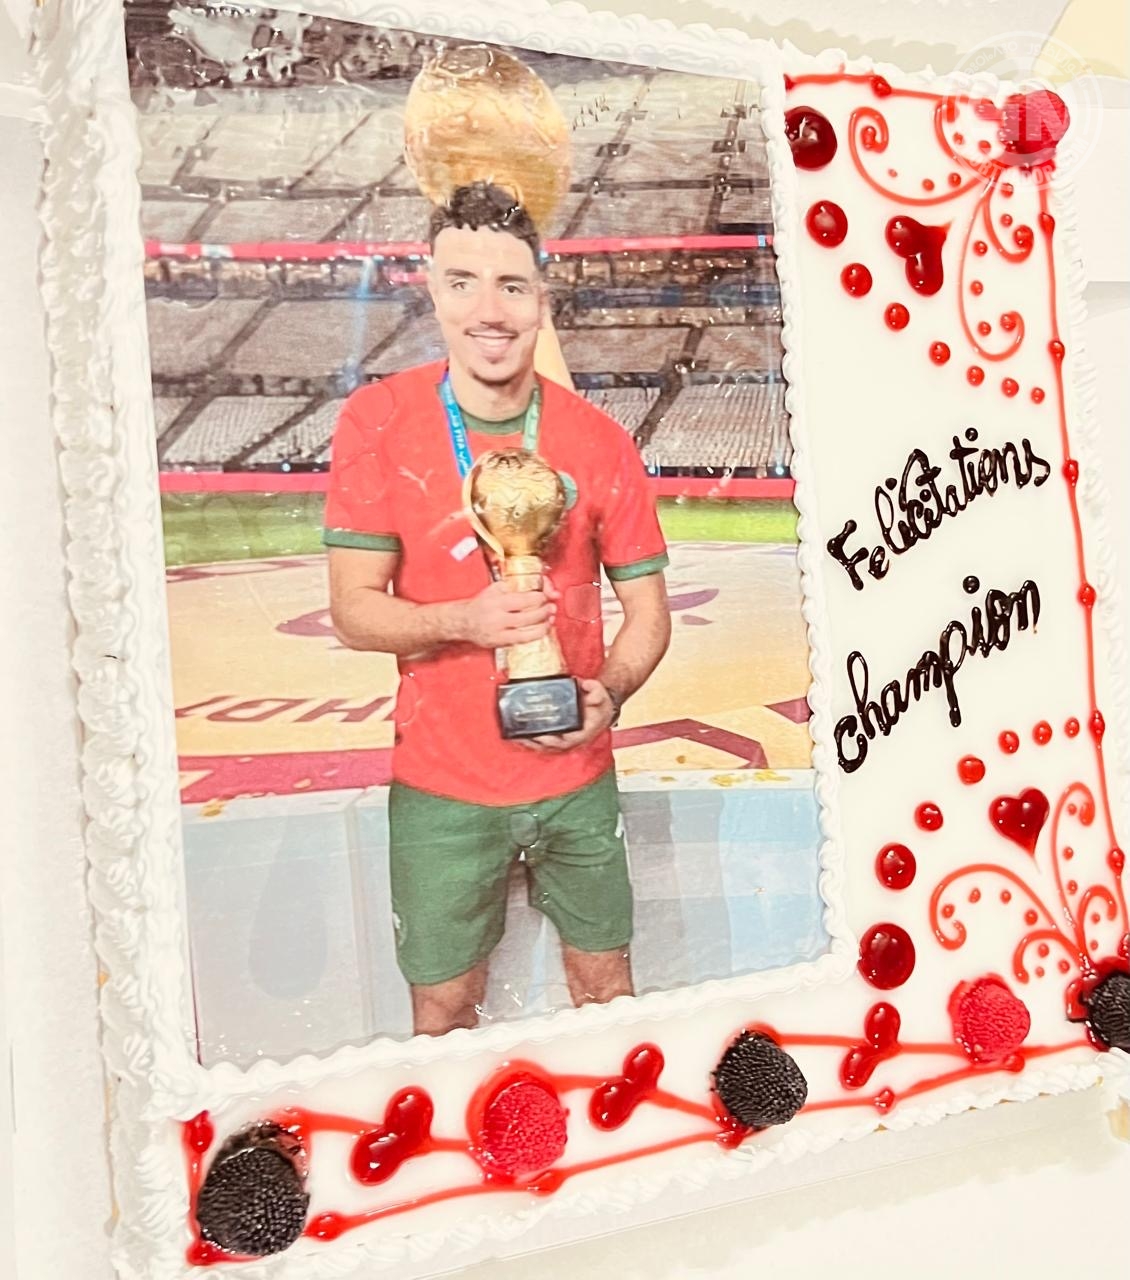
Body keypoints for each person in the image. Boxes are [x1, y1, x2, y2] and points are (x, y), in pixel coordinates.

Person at [324, 182, 671, 1036]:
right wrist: (462, 621)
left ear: (541, 298)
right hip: (442, 786)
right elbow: (353, 612)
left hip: (575, 777)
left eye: (512, 286)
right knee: (443, 1008)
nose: (489, 310)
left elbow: (649, 613)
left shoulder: (599, 440)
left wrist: (609, 693)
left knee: (608, 992)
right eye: (463, 282)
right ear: (433, 290)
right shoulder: (378, 422)